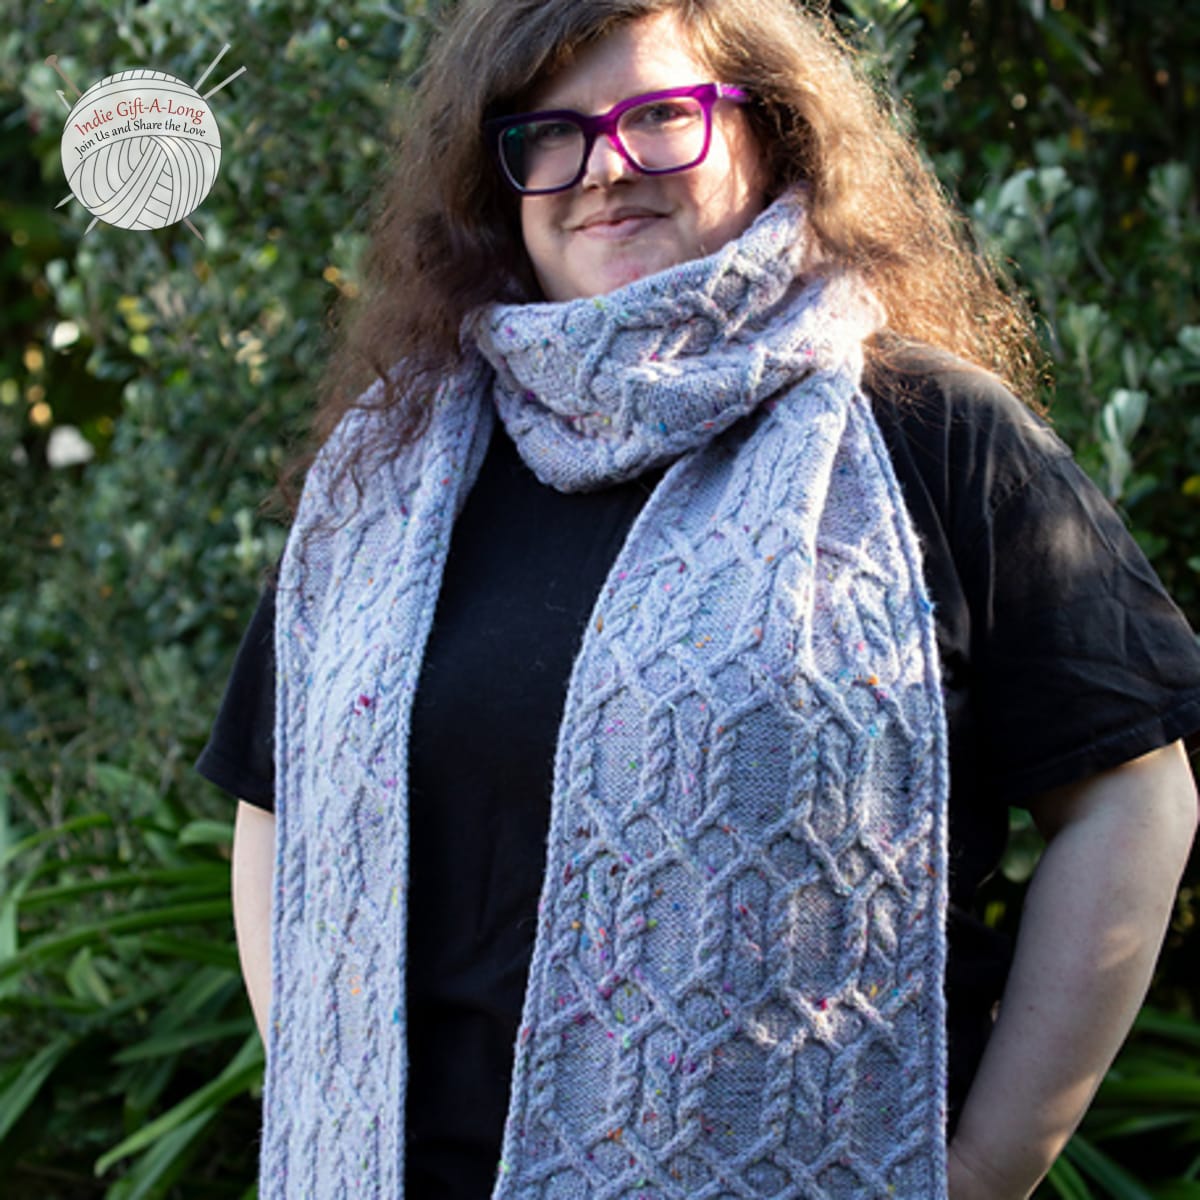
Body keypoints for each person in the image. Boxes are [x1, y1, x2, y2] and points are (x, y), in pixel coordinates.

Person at [197, 1, 1200, 1197]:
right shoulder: (400, 467)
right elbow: (279, 808)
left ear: (772, 133)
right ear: (499, 175)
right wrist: (327, 1079)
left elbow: (1132, 800)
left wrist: (985, 1169)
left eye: (662, 117)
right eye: (551, 136)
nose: (605, 169)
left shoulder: (926, 434)